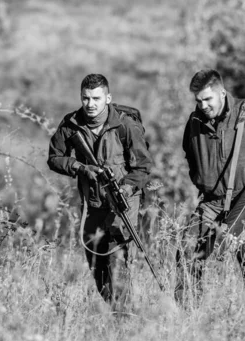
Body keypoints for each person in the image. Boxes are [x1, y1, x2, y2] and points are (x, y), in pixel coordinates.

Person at [176, 69, 245, 305]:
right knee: (187, 252)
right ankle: (188, 316)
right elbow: (190, 154)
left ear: (222, 93)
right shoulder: (194, 121)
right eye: (198, 101)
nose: (203, 105)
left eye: (208, 99)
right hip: (210, 203)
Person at [47, 74, 153, 308]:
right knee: (96, 261)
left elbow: (143, 166)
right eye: (86, 98)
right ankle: (112, 308)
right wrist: (80, 168)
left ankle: (123, 314)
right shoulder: (71, 123)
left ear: (108, 98)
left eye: (96, 98)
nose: (91, 104)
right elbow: (54, 158)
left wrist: (124, 188)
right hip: (92, 203)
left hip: (122, 202)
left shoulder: (125, 125)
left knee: (119, 258)